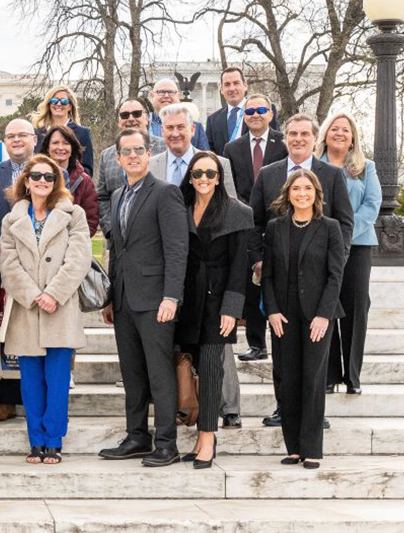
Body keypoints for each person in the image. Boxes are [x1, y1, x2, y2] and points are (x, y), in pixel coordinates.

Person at [249, 113, 353, 427]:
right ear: (285, 138)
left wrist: (336, 260)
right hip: (278, 281)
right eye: (292, 134)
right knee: (283, 353)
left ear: (313, 138)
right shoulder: (268, 175)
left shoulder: (331, 176)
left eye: (304, 134)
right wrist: (258, 260)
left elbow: (345, 223)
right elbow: (253, 224)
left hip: (318, 280)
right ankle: (285, 409)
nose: (297, 139)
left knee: (315, 353)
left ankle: (313, 413)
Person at [149, 103, 244, 427]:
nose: (175, 133)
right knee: (180, 343)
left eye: (181, 127)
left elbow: (230, 212)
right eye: (169, 128)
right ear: (162, 131)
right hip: (175, 271)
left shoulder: (218, 165)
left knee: (218, 344)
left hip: (213, 274)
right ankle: (185, 403)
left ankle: (228, 407)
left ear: (192, 129)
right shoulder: (154, 165)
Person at [98, 128, 188, 467]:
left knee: (159, 373)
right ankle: (137, 435)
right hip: (124, 300)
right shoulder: (120, 194)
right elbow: (118, 251)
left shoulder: (165, 193)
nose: (133, 156)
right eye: (127, 151)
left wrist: (171, 297)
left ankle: (167, 443)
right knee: (132, 372)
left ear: (149, 155)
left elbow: (177, 250)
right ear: (119, 158)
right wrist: (110, 297)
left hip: (155, 301)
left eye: (139, 150)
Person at [0, 156, 92, 464]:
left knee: (57, 378)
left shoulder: (73, 214)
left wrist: (53, 294)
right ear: (25, 180)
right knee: (31, 382)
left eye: (49, 177)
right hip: (26, 308)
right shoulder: (11, 219)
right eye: (36, 175)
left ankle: (54, 439)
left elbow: (79, 259)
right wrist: (33, 295)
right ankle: (35, 440)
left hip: (59, 307)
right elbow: (8, 263)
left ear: (56, 183)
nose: (42, 181)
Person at [262, 169, 347, 469]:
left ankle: (312, 449)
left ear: (316, 193)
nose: (302, 193)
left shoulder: (330, 228)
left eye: (307, 188)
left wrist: (324, 314)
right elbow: (268, 276)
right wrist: (271, 310)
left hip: (317, 318)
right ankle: (294, 447)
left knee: (312, 380)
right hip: (283, 317)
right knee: (288, 381)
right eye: (296, 188)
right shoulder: (274, 228)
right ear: (288, 194)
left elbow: (335, 276)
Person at [177, 152, 253, 468]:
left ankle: (208, 435)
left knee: (210, 369)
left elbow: (240, 265)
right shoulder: (180, 208)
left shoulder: (237, 212)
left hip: (218, 300)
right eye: (198, 173)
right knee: (192, 366)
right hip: (186, 300)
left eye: (210, 173)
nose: (204, 179)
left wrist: (231, 309)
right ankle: (199, 435)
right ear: (190, 177)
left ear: (219, 177)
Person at [0, 118, 39, 422]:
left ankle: (37, 397)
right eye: (10, 136)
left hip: (41, 268)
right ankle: (7, 397)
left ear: (34, 139)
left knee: (35, 332)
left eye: (22, 135)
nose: (16, 140)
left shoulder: (50, 173)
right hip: (2, 266)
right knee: (6, 331)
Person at [317, 112, 381, 395]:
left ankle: (352, 376)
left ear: (352, 136)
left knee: (355, 308)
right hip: (321, 248)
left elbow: (372, 205)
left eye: (345, 129)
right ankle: (329, 375)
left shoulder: (366, 167)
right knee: (325, 306)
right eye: (334, 129)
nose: (340, 133)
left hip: (357, 248)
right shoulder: (313, 167)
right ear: (326, 134)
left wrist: (344, 236)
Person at [226, 94, 287, 365]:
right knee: (252, 285)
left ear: (271, 113)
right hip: (245, 224)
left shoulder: (284, 143)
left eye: (261, 109)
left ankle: (282, 340)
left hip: (278, 220)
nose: (255, 114)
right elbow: (232, 186)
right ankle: (256, 343)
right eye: (250, 110)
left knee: (279, 284)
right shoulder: (233, 148)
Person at [95, 98, 168, 238]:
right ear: (119, 121)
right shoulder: (107, 155)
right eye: (125, 115)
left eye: (136, 113)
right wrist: (111, 230)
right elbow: (102, 197)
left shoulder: (164, 147)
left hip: (156, 238)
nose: (131, 119)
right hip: (118, 240)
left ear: (146, 118)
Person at [36, 124, 99, 235]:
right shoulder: (36, 177)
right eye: (55, 143)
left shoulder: (84, 181)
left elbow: (91, 222)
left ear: (72, 147)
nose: (60, 148)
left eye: (66, 143)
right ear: (47, 147)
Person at [31, 85, 95, 176]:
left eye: (64, 101)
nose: (59, 104)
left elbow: (88, 170)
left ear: (70, 106)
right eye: (54, 101)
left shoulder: (82, 133)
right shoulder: (38, 134)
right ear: (49, 105)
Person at [147, 78, 208, 149]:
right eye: (161, 92)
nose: (166, 96)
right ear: (152, 96)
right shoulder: (143, 125)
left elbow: (205, 157)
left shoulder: (197, 128)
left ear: (178, 96)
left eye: (171, 92)